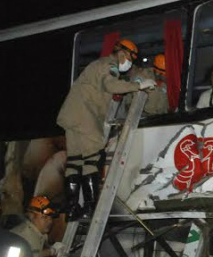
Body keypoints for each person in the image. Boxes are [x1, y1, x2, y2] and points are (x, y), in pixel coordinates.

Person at [57, 39, 156, 220]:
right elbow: (109, 84)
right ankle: (89, 208)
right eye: (130, 58)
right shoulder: (110, 64)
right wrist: (138, 85)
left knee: (74, 161)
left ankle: (72, 208)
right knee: (93, 159)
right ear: (122, 53)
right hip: (85, 116)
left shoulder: (97, 64)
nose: (129, 63)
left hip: (71, 115)